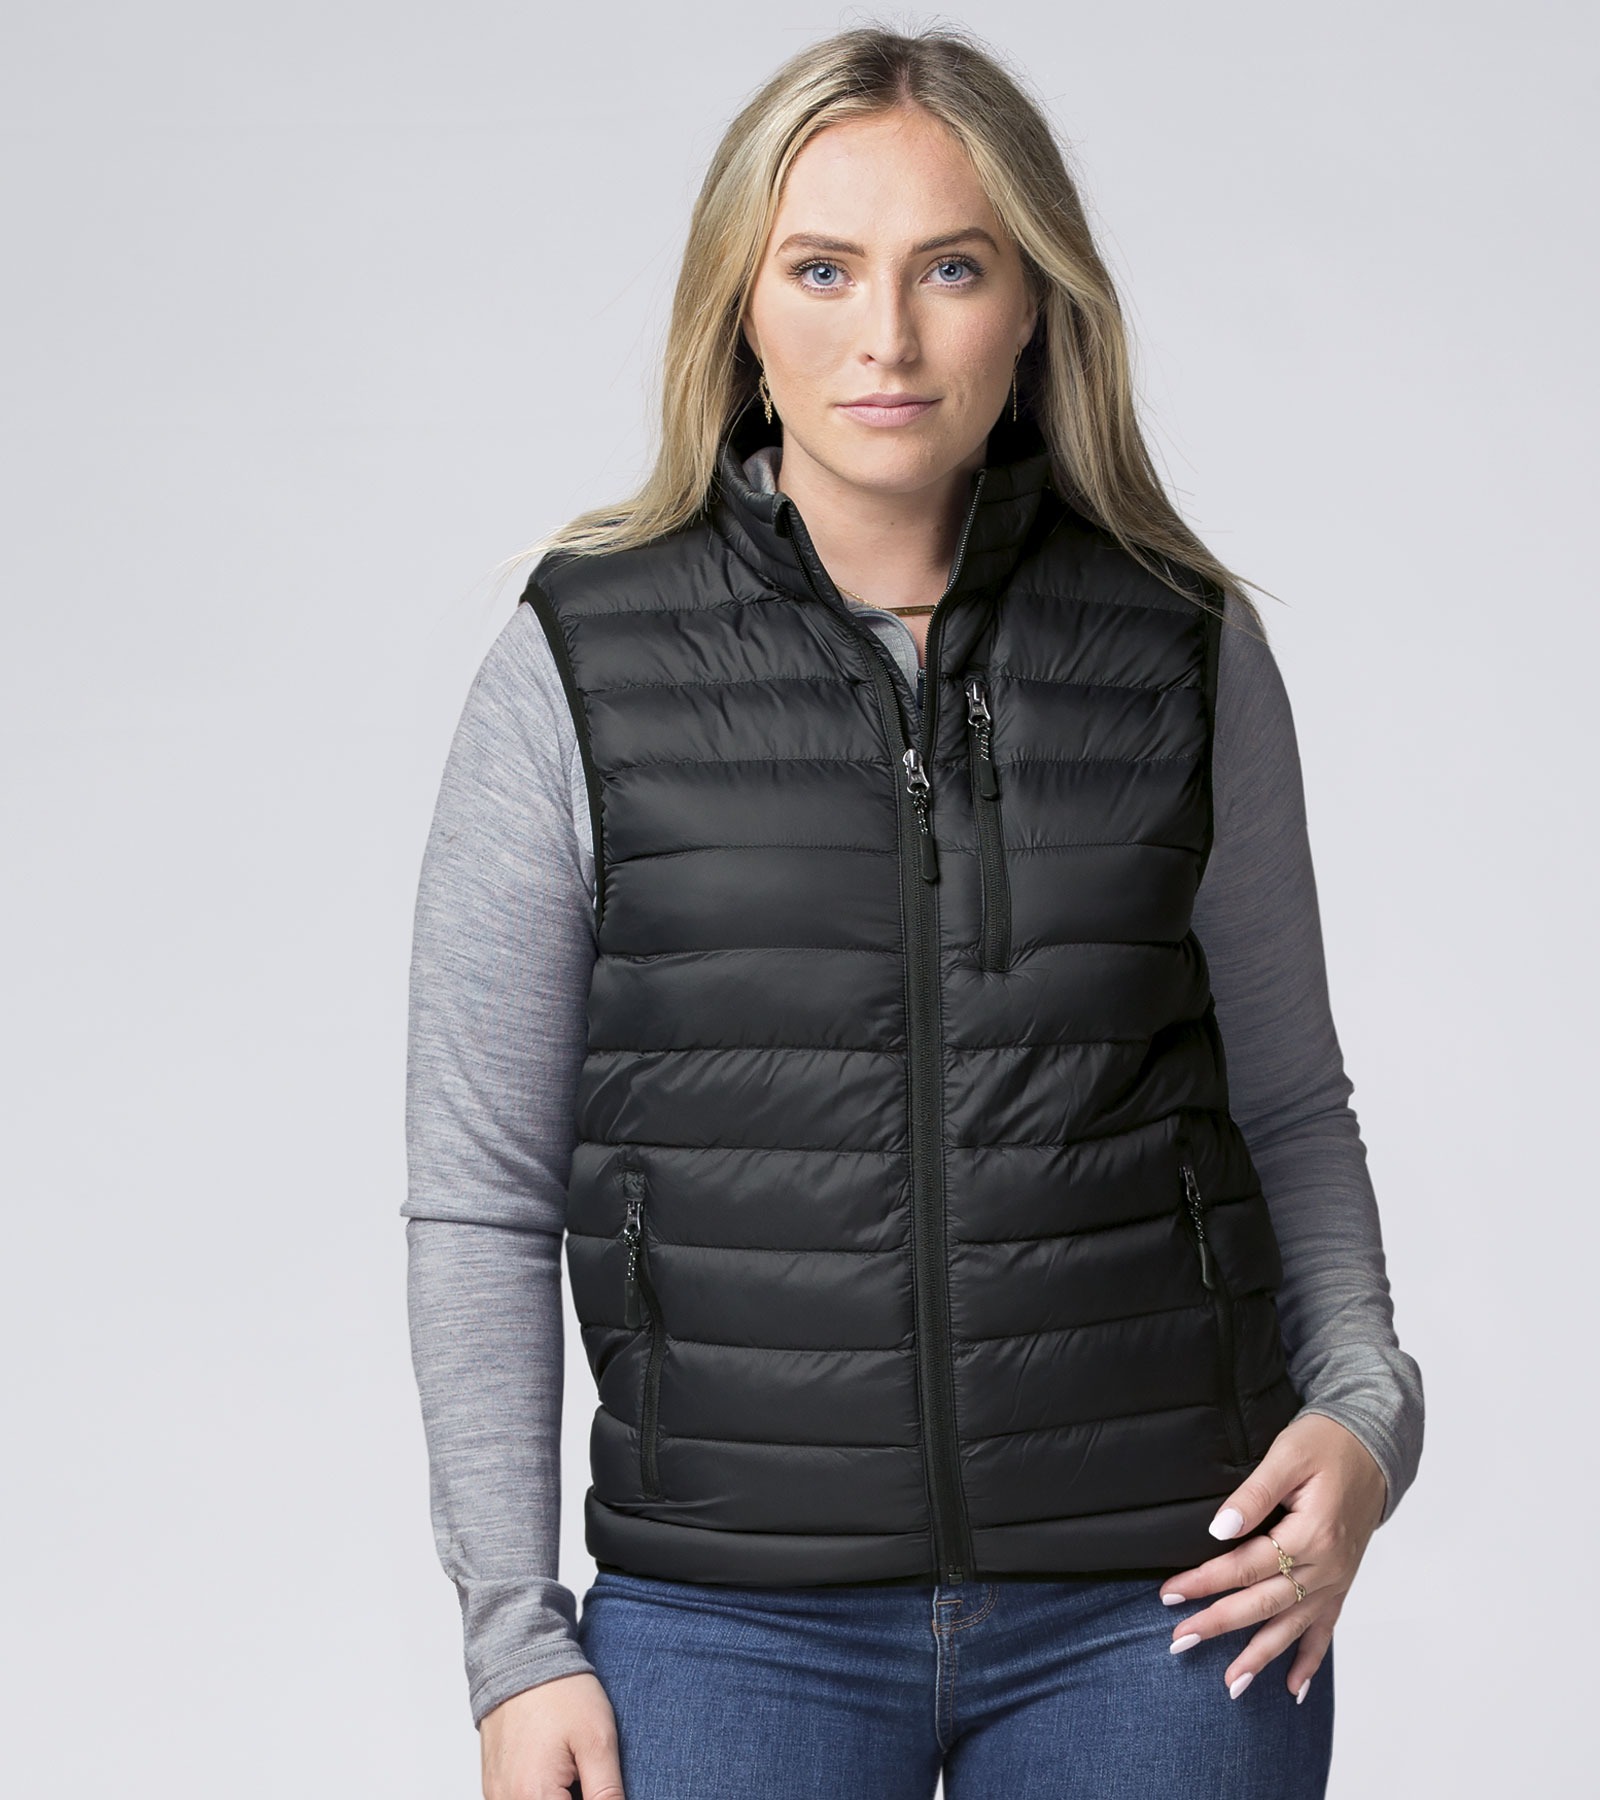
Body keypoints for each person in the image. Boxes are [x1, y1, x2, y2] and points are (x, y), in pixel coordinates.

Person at [402, 24, 1425, 1800]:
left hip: (1164, 1607)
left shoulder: (1182, 647)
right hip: (728, 1617)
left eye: (951, 268)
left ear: (1034, 307)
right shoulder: (577, 663)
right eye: (822, 269)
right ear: (740, 306)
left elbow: (1288, 1106)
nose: (886, 335)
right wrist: (514, 1637)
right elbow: (482, 1191)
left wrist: (1365, 1414)